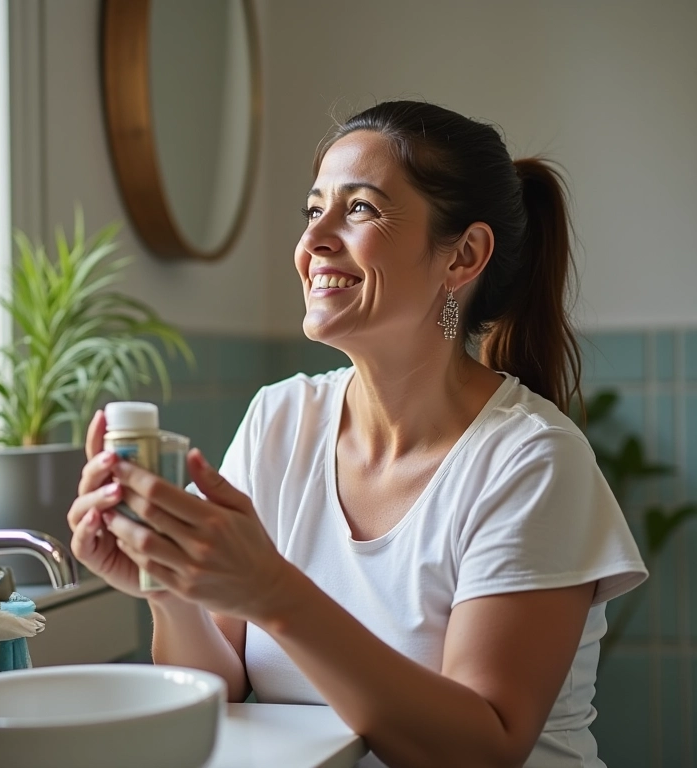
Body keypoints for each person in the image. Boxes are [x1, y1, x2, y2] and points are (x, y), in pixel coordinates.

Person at [68, 100, 648, 768]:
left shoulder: (532, 461)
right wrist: (168, 585)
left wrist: (274, 593)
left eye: (361, 209)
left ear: (463, 255)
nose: (314, 240)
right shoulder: (279, 421)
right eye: (314, 210)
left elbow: (480, 753)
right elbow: (217, 686)